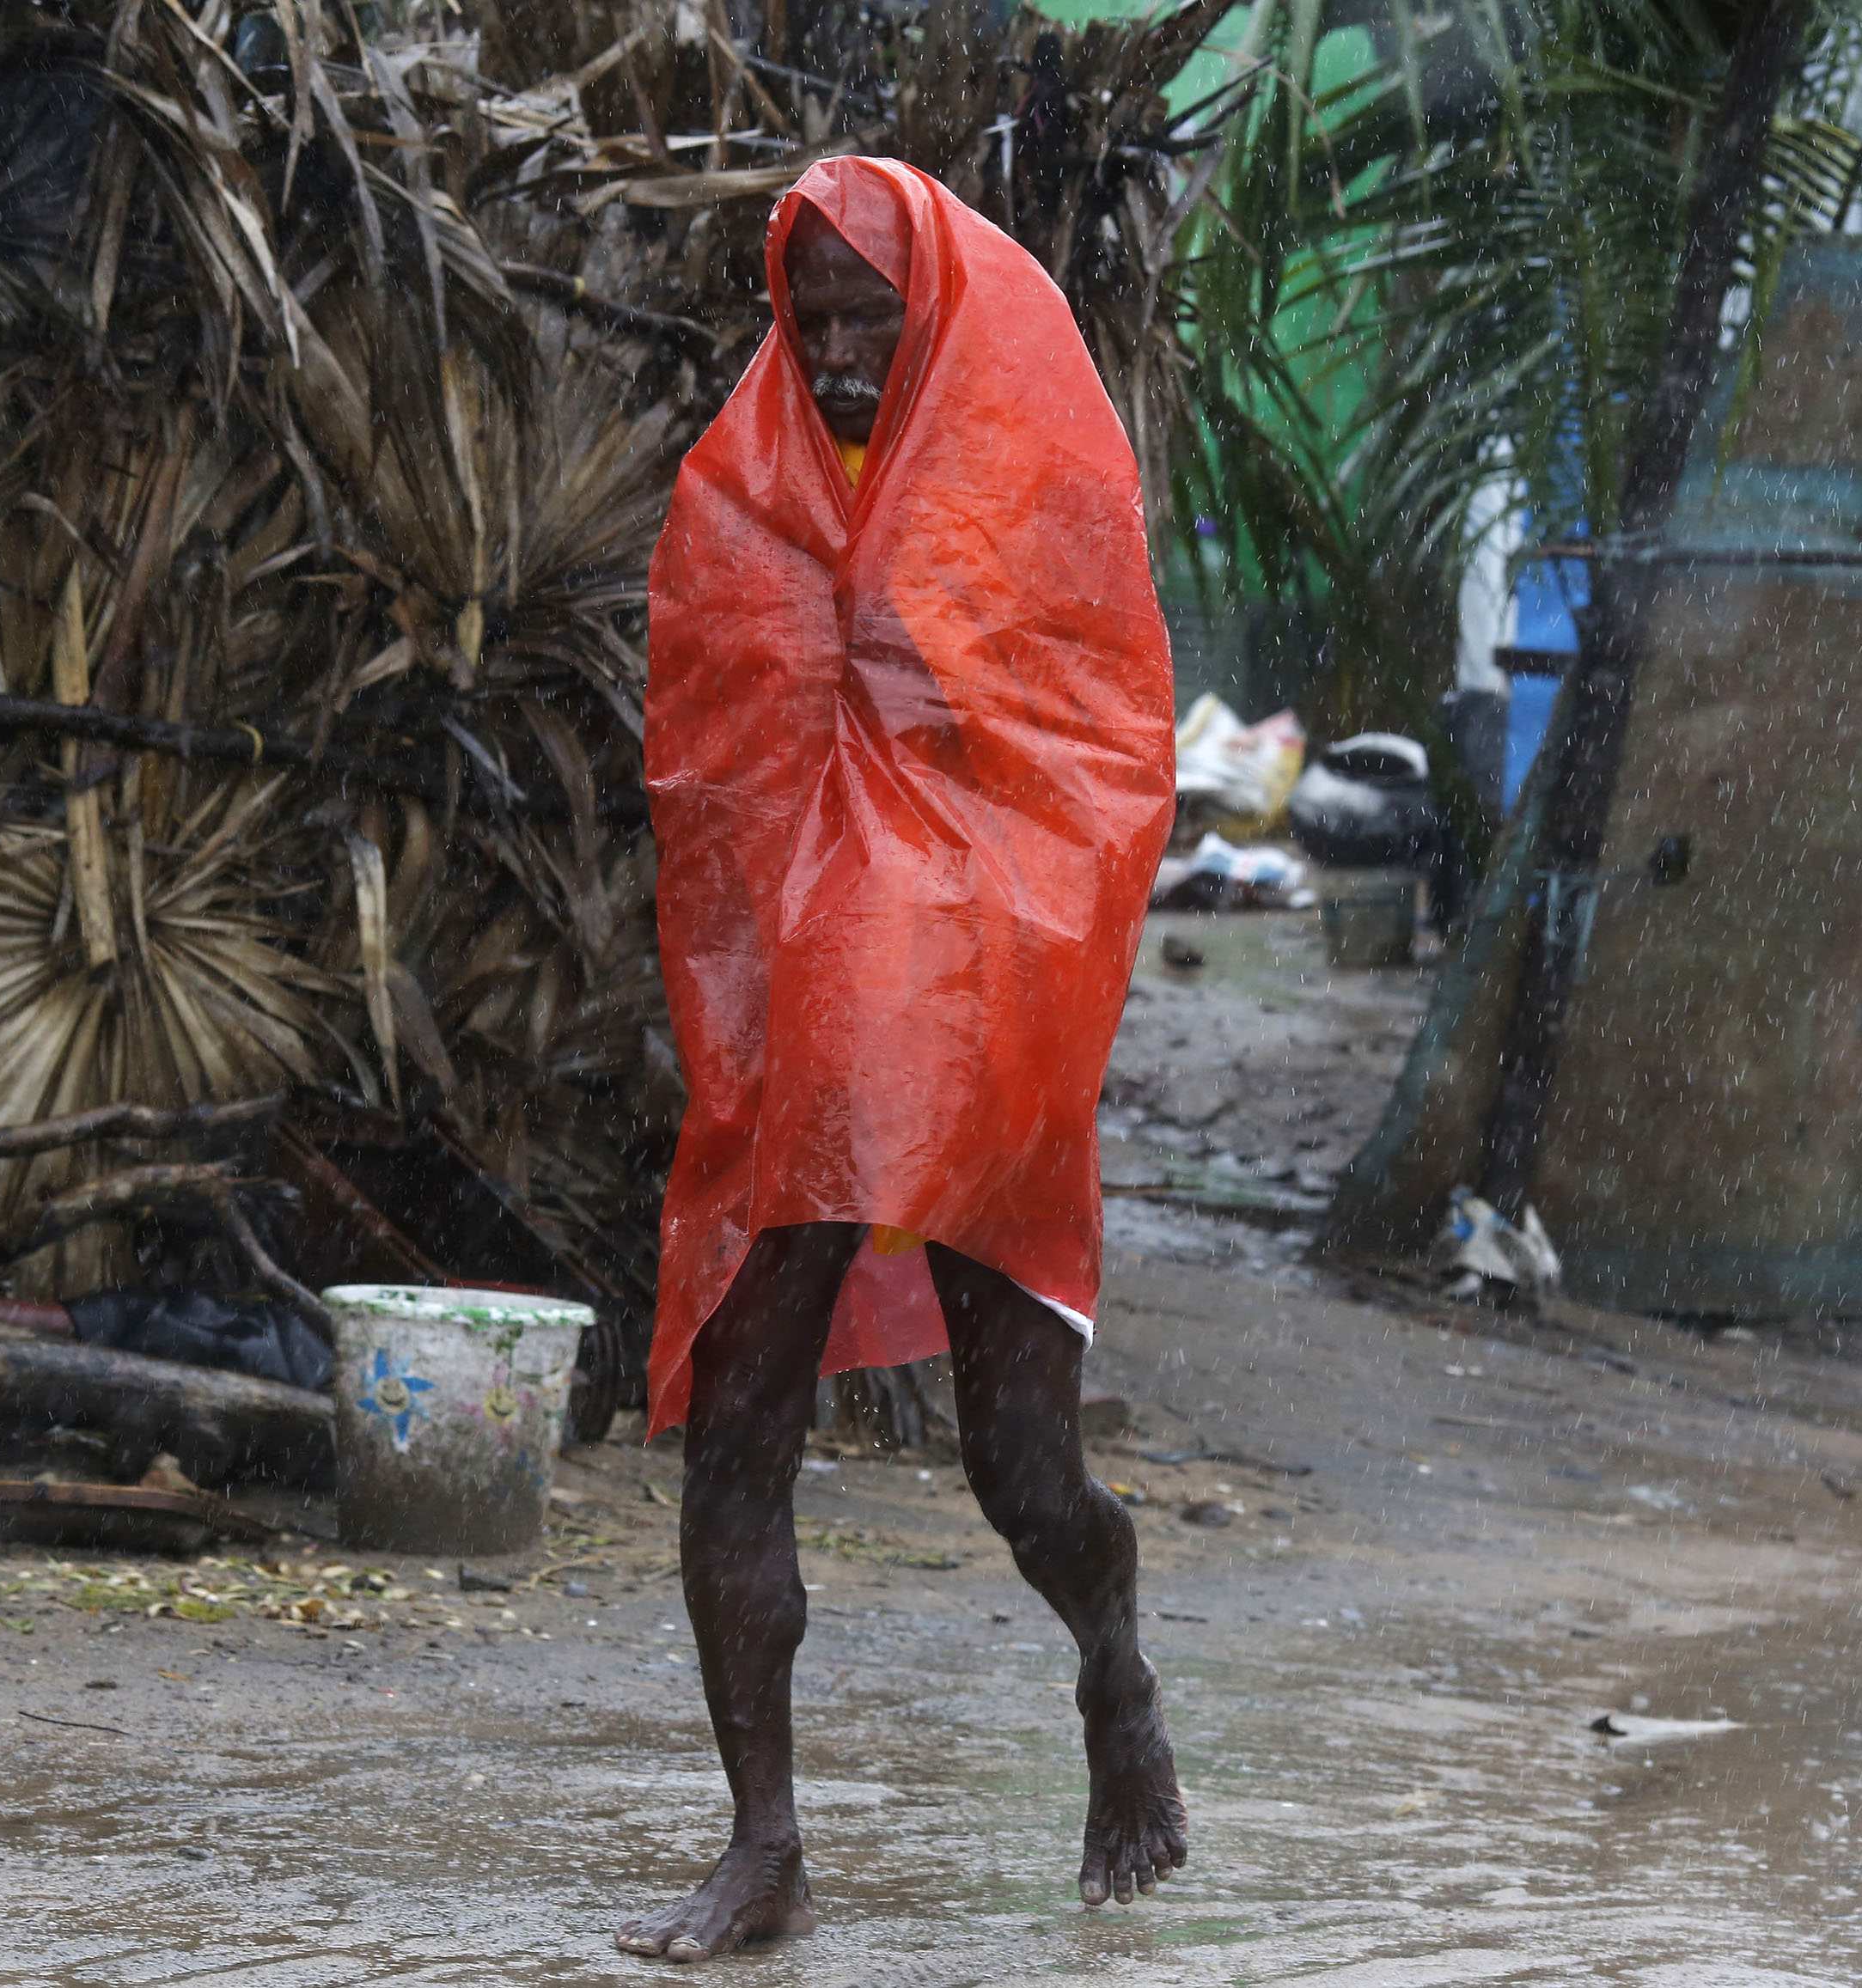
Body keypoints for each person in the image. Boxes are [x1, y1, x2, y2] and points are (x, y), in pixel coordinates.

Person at [619, 156, 1181, 1963]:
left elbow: (1095, 751)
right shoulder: (742, 494)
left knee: (1021, 1468)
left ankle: (1114, 1665)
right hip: (805, 1030)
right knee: (737, 1421)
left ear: (937, 311)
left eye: (877, 316)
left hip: (973, 1016)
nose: (847, 353)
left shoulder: (1028, 479)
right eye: (818, 318)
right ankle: (764, 1838)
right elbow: (709, 764)